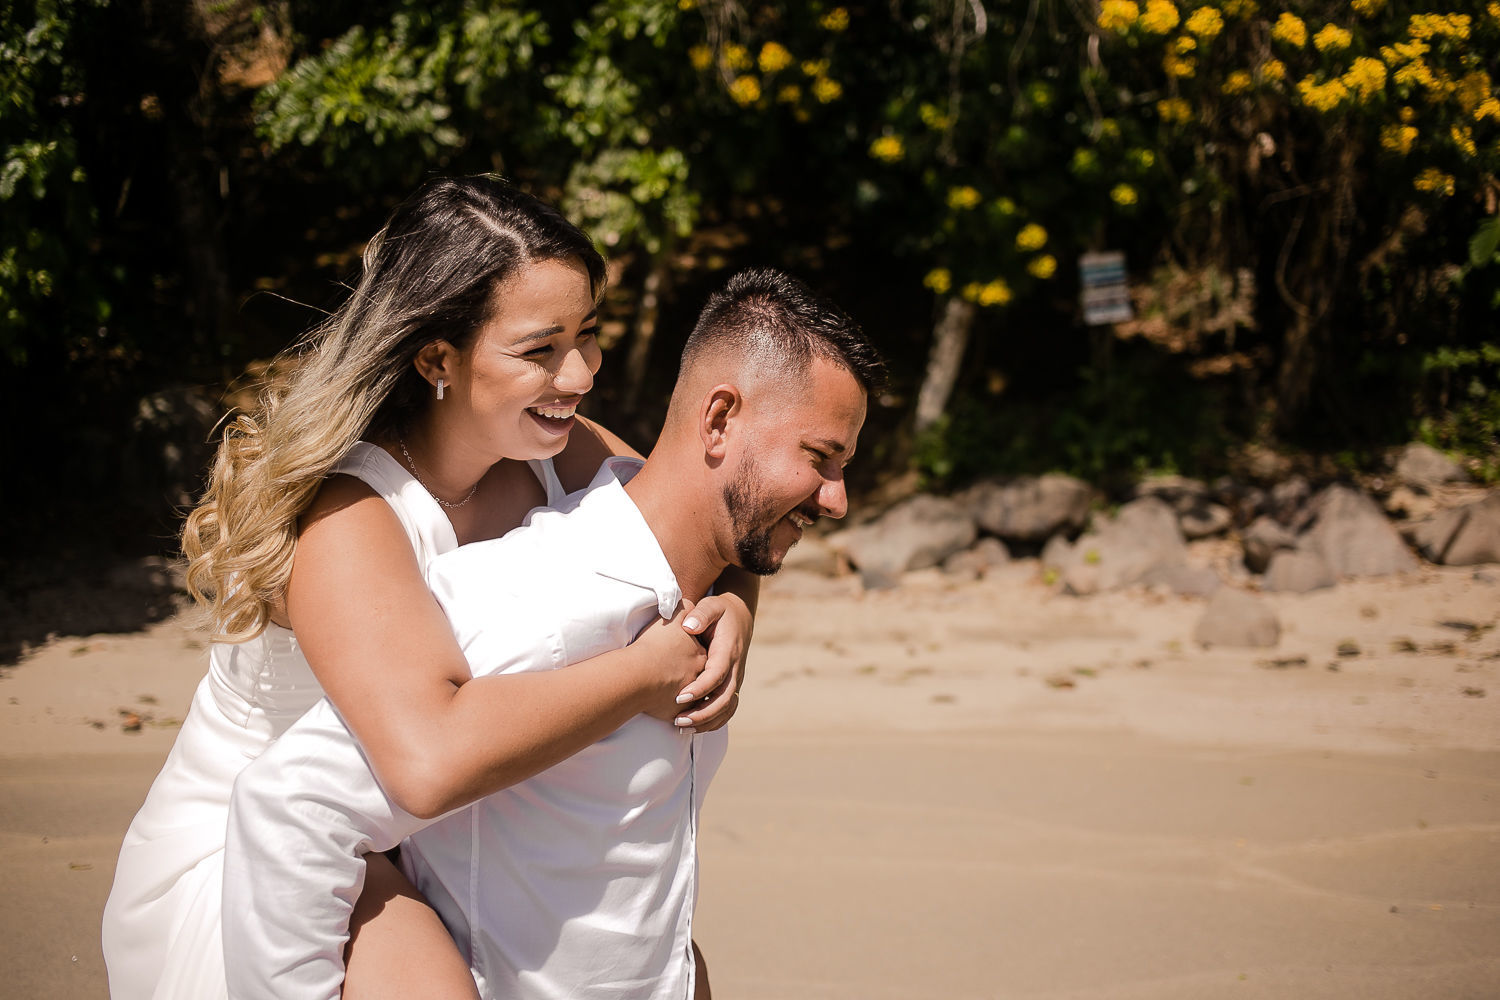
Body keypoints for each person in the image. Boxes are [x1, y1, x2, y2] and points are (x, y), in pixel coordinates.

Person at [100, 176, 756, 1000]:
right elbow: (425, 758)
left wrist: (734, 605)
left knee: (669, 971)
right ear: (438, 357)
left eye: (590, 334)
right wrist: (647, 674)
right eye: (540, 349)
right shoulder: (348, 514)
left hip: (439, 823)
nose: (582, 372)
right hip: (280, 845)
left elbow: (702, 511)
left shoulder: (556, 446)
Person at [222, 267, 887, 999]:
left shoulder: (690, 601)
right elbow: (287, 809)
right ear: (719, 418)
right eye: (819, 458)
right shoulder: (539, 593)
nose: (837, 500)